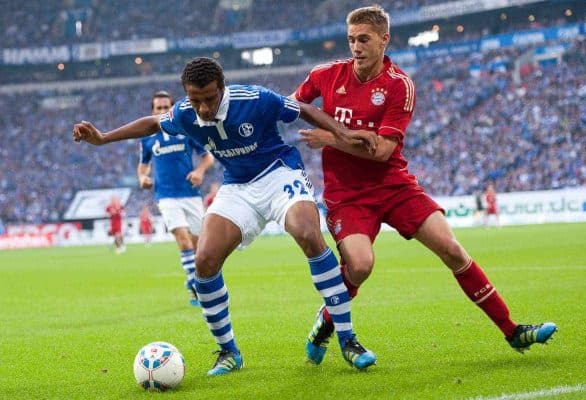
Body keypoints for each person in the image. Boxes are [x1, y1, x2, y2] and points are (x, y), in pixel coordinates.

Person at [73, 57, 379, 376]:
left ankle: (347, 339)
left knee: (307, 232)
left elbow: (303, 109)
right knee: (204, 260)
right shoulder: (184, 113)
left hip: (278, 174)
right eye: (196, 100)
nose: (203, 108)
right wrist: (104, 137)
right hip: (237, 186)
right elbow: (152, 123)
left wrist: (342, 134)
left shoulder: (255, 99)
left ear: (222, 88)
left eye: (209, 99)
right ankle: (228, 352)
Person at [293, 5, 556, 364]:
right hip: (347, 195)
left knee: (452, 249)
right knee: (360, 266)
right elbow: (294, 104)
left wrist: (332, 138)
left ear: (384, 40)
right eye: (351, 39)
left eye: (364, 39)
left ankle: (512, 330)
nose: (356, 46)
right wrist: (345, 133)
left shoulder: (399, 86)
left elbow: (383, 151)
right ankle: (327, 321)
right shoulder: (326, 74)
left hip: (394, 186)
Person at [138, 90, 215, 306]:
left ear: (172, 108)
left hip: (190, 194)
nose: (162, 111)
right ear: (153, 111)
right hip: (165, 195)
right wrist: (142, 178)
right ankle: (195, 286)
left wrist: (199, 171)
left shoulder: (187, 130)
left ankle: (196, 280)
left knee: (199, 245)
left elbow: (208, 158)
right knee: (182, 238)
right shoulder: (147, 139)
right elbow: (142, 167)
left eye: (165, 107)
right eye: (158, 108)